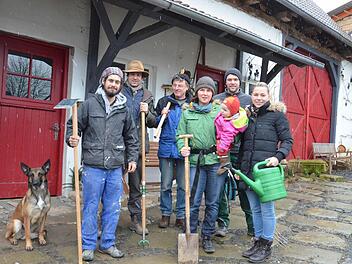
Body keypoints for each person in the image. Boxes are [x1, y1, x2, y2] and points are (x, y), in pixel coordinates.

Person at [66, 67, 139, 262]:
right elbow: (73, 126)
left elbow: (131, 137)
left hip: (115, 166)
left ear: (120, 85)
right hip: (93, 165)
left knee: (113, 207)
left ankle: (107, 243)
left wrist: (132, 158)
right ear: (103, 82)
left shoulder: (124, 109)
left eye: (117, 82)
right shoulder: (90, 105)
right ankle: (88, 246)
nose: (113, 84)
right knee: (90, 206)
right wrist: (71, 138)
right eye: (111, 81)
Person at [239, 82, 293, 263]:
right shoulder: (247, 116)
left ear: (268, 96)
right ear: (251, 96)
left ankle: (266, 245)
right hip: (248, 170)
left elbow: (287, 140)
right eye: (256, 95)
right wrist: (240, 168)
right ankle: (257, 241)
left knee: (267, 210)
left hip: (265, 171)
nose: (259, 98)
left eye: (263, 95)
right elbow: (242, 144)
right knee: (254, 209)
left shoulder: (277, 116)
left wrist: (278, 157)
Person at [177, 76, 225, 254]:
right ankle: (191, 233)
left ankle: (207, 236)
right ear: (196, 92)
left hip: (214, 162)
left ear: (212, 93)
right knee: (194, 201)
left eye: (208, 90)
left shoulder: (219, 111)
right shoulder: (187, 112)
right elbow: (179, 135)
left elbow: (229, 131)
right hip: (195, 162)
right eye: (202, 90)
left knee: (213, 202)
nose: (205, 93)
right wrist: (182, 148)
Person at [213, 67, 253, 237]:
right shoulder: (217, 100)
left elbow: (252, 124)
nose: (232, 82)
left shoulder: (247, 99)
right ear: (225, 81)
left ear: (239, 81)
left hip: (241, 151)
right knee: (220, 188)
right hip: (222, 152)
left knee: (244, 187)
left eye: (235, 79)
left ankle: (252, 225)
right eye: (229, 79)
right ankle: (222, 223)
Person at [121, 60, 157, 235]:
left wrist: (147, 112)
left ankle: (135, 219)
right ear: (127, 76)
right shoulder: (119, 92)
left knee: (136, 186)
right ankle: (103, 220)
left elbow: (153, 122)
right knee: (110, 185)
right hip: (118, 146)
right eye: (132, 74)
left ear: (142, 77)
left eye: (138, 75)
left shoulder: (147, 96)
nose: (135, 77)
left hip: (139, 147)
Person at [155, 72, 192, 229]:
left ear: (187, 87)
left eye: (180, 85)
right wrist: (160, 116)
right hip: (166, 148)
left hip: (184, 148)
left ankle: (181, 215)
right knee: (166, 184)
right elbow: (154, 123)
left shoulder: (192, 103)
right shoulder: (164, 102)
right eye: (175, 85)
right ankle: (165, 214)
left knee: (184, 186)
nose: (177, 88)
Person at [214, 96, 248, 175]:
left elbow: (227, 137)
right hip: (220, 137)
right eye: (222, 108)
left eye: (225, 110)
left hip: (223, 143)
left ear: (232, 112)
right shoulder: (225, 117)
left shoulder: (230, 125)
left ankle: (224, 165)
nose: (222, 111)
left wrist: (222, 147)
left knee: (223, 155)